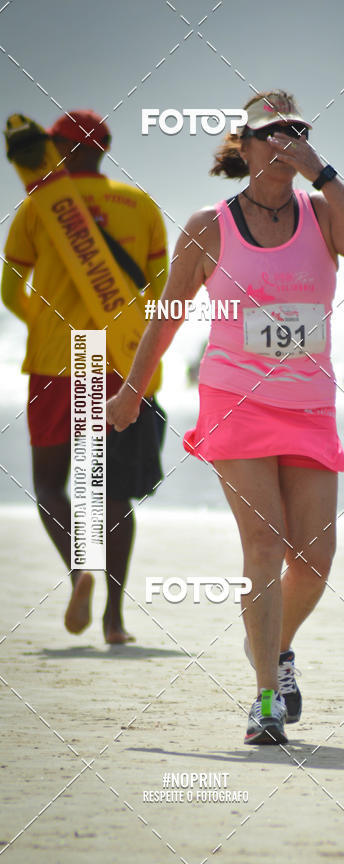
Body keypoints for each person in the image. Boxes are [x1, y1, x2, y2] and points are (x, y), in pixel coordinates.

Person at [107, 89, 344, 741]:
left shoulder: (323, 215)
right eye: (273, 132)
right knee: (264, 545)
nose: (286, 142)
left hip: (309, 405)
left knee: (314, 560)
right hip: (235, 401)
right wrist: (131, 391)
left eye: (298, 130)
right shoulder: (210, 226)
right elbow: (167, 315)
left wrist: (322, 173)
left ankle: (272, 645)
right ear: (245, 143)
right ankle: (266, 700)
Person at [1, 110, 168, 643]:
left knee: (51, 485)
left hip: (57, 362)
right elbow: (163, 295)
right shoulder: (141, 205)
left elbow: (8, 288)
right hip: (121, 364)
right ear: (104, 148)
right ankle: (114, 620)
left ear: (61, 149)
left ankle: (80, 573)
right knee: (113, 495)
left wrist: (46, 322)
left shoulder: (38, 206)